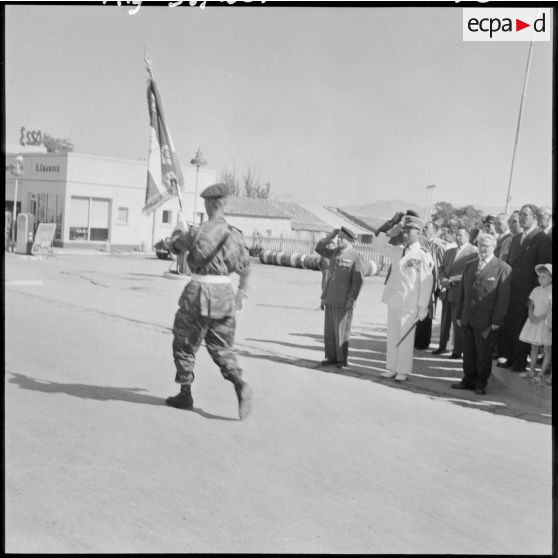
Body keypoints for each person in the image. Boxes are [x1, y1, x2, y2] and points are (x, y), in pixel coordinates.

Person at [165, 182, 253, 420]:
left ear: (207, 204)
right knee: (222, 348)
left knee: (184, 344)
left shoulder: (197, 232)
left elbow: (173, 247)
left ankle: (185, 393)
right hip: (224, 294)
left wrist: (178, 231)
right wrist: (240, 296)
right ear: (224, 204)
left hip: (198, 292)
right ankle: (239, 382)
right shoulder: (235, 236)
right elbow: (245, 269)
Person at [373, 213, 434, 382]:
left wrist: (423, 307)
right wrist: (390, 231)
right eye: (404, 230)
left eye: (409, 231)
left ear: (418, 232)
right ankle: (391, 367)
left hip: (410, 303)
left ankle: (403, 370)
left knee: (405, 339)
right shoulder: (397, 250)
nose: (405, 234)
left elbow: (426, 282)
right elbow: (377, 246)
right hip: (394, 300)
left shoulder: (423, 255)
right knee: (392, 336)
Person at [453, 233, 511, 395]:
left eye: (486, 245)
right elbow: (462, 294)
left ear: (493, 247)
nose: (483, 249)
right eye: (480, 245)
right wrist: (459, 315)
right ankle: (468, 379)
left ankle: (480, 383)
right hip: (467, 318)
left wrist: (497, 320)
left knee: (484, 354)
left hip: (486, 321)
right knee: (469, 352)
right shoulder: (470, 265)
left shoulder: (503, 268)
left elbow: (503, 298)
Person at [497, 204, 552, 372]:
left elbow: (542, 270)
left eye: (525, 215)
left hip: (529, 293)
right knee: (511, 326)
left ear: (534, 216)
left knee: (522, 327)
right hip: (513, 292)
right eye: (520, 214)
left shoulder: (542, 239)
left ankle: (519, 363)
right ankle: (511, 357)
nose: (521, 218)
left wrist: (535, 298)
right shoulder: (515, 239)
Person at [315, 227, 366, 368]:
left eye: (341, 238)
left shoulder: (356, 256)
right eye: (338, 237)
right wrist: (330, 236)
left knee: (342, 331)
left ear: (350, 240)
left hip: (344, 300)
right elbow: (319, 248)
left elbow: (358, 280)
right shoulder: (335, 253)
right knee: (330, 330)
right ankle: (331, 357)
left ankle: (342, 360)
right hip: (331, 297)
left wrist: (352, 299)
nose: (339, 240)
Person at [432, 225, 478, 357]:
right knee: (444, 322)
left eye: (461, 235)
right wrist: (442, 279)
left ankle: (457, 350)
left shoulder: (473, 252)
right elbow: (441, 268)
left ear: (467, 236)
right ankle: (443, 346)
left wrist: (451, 280)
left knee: (457, 322)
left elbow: (468, 272)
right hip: (446, 291)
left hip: (459, 291)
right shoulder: (449, 251)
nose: (458, 238)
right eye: (456, 235)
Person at [518, 264, 552, 382]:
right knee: (534, 346)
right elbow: (531, 304)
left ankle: (541, 373)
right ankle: (531, 371)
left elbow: (550, 309)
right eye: (540, 276)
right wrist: (531, 315)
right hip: (534, 320)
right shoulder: (536, 289)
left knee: (547, 348)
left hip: (546, 322)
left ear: (551, 278)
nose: (540, 279)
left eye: (544, 277)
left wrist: (540, 318)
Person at [415, 221, 444, 350]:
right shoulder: (426, 241)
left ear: (434, 231)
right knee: (421, 310)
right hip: (424, 280)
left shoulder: (434, 243)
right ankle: (419, 340)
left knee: (426, 311)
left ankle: (421, 341)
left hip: (430, 281)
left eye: (427, 227)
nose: (424, 228)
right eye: (425, 226)